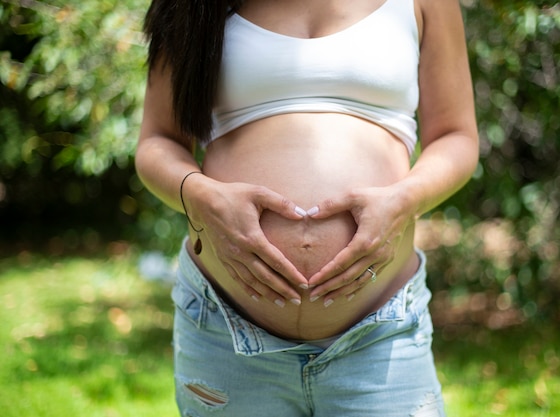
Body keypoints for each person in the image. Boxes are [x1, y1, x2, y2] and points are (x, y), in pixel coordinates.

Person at [135, 0, 478, 415]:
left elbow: (456, 136)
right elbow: (158, 140)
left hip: (381, 329)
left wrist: (405, 200)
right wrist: (200, 195)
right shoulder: (194, 5)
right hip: (224, 326)